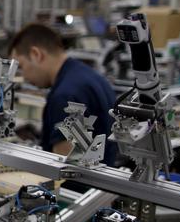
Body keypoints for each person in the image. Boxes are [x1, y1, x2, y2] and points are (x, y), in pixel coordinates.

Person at [10, 23, 117, 166]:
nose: (23, 76)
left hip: (79, 188)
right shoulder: (90, 76)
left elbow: (64, 167)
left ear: (36, 54)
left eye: (22, 66)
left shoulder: (64, 96)